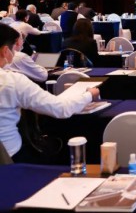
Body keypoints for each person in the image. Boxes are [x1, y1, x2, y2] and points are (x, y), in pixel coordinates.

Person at [0, 24, 99, 161]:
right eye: (13, 50)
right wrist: (89, 95)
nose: (14, 54)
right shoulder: (12, 81)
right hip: (10, 158)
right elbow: (60, 109)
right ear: (5, 51)